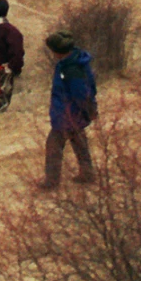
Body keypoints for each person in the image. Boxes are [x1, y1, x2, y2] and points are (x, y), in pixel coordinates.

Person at [43, 30, 97, 190]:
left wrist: (84, 109)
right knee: (80, 143)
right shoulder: (74, 61)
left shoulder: (70, 69)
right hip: (75, 113)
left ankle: (51, 181)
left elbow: (80, 93)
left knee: (53, 145)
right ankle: (87, 173)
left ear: (58, 52)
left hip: (68, 114)